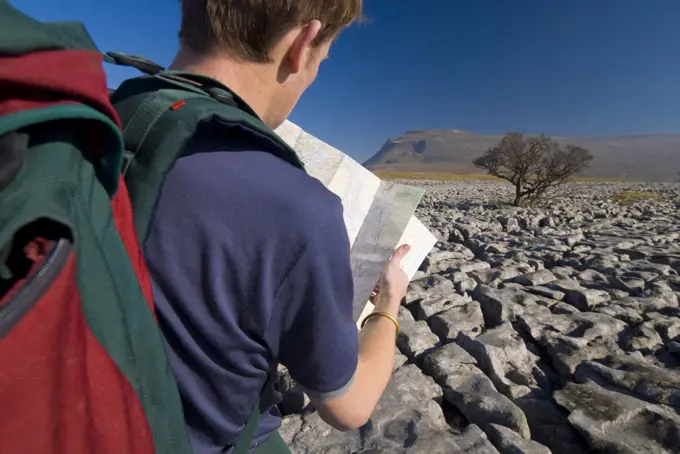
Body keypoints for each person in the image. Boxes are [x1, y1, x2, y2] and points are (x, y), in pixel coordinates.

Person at [136, 0, 412, 453]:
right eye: (320, 64)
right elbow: (349, 408)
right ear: (301, 46)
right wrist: (390, 304)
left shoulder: (77, 120)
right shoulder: (300, 209)